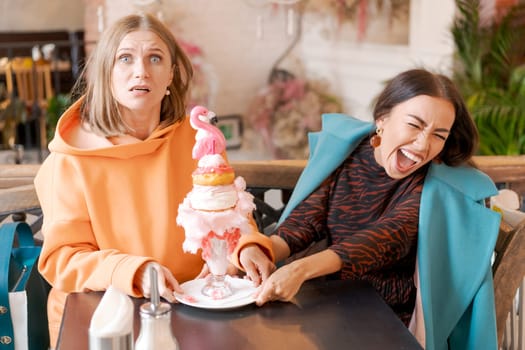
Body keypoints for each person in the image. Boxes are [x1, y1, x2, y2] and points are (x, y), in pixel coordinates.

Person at [34, 13, 272, 347]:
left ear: (171, 74)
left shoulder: (199, 141)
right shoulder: (71, 158)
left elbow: (228, 217)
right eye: (125, 58)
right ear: (106, 73)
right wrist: (133, 272)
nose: (141, 71)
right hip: (103, 317)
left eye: (155, 58)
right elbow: (63, 259)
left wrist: (245, 249)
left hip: (194, 310)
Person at [236, 69, 501, 349]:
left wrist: (300, 270)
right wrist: (260, 250)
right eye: (414, 125)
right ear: (382, 119)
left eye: (439, 135)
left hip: (391, 325)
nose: (423, 145)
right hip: (331, 311)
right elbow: (305, 221)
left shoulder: (433, 187)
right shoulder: (348, 154)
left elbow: (379, 241)